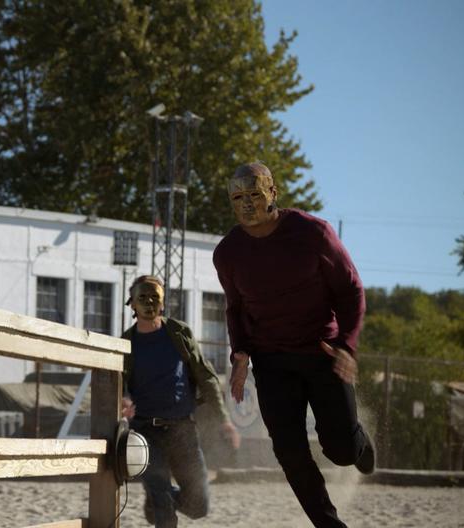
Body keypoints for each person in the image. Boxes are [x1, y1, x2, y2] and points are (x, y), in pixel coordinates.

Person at [212, 162, 375, 528]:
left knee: (341, 451)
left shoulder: (314, 233)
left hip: (323, 353)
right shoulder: (227, 252)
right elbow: (235, 308)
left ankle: (358, 442)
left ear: (273, 192)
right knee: (289, 451)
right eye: (238, 197)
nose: (247, 204)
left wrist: (348, 346)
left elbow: (351, 292)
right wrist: (240, 354)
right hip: (272, 362)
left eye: (254, 194)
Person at [121, 275, 239, 527]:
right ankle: (159, 497)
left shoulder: (179, 333)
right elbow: (118, 383)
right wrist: (123, 398)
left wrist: (223, 420)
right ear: (132, 303)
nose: (149, 302)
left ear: (163, 302)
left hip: (182, 430)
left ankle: (157, 498)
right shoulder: (126, 343)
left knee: (199, 506)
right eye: (143, 297)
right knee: (163, 508)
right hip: (145, 432)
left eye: (155, 296)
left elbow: (206, 378)